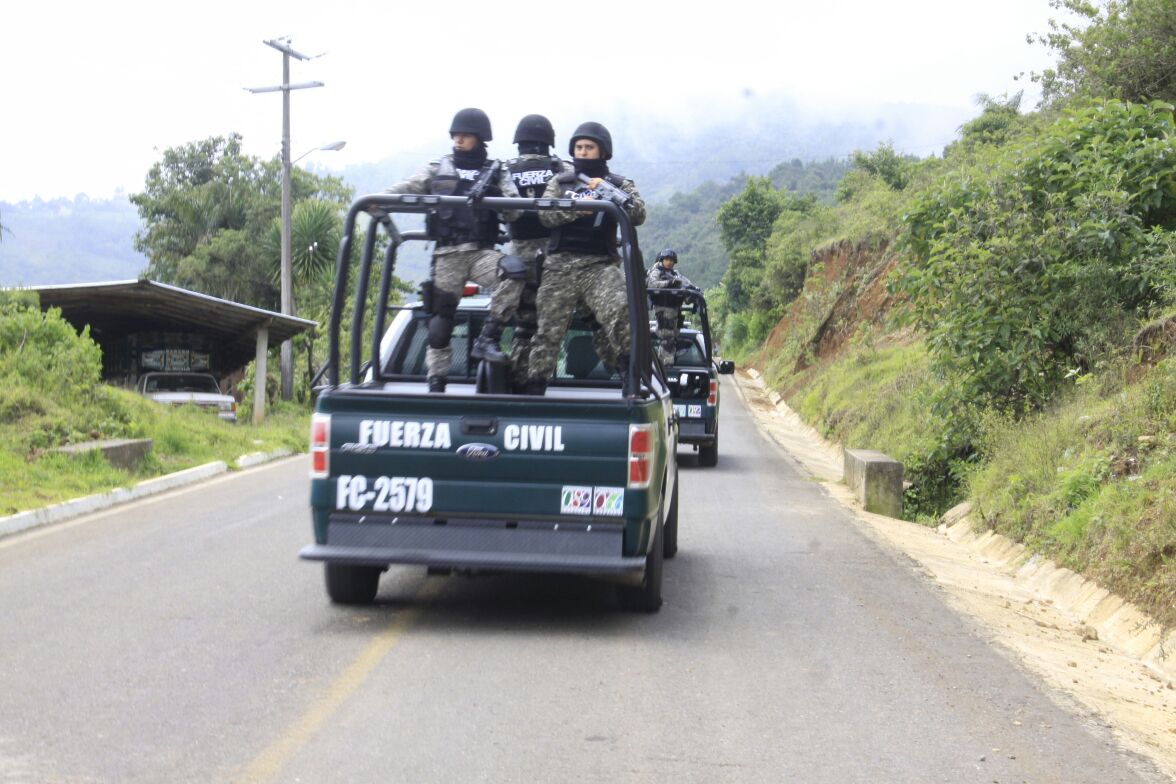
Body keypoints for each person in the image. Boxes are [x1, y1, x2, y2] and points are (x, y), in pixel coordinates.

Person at [383, 108, 525, 393]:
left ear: (480, 138)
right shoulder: (438, 168)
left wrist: (496, 197)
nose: (458, 140)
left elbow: (516, 210)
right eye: (456, 135)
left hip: (481, 253)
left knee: (515, 272)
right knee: (440, 322)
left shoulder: (497, 172)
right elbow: (408, 186)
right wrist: (379, 200)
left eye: (465, 136)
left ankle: (488, 337)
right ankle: (437, 382)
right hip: (448, 254)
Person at [524, 121, 646, 396]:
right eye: (578, 147)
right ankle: (535, 387)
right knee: (547, 331)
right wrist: (577, 210)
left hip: (598, 266)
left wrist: (608, 193)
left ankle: (630, 377)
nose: (583, 152)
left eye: (589, 147)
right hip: (560, 266)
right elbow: (545, 215)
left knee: (620, 313)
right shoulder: (560, 181)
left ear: (603, 151)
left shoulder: (618, 183)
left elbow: (638, 214)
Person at [504, 114, 563, 392]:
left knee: (524, 324)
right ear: (547, 142)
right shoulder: (559, 168)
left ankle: (515, 380)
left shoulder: (505, 169)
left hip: (517, 255)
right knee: (548, 324)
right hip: (554, 255)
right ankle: (538, 381)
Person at [646, 248, 697, 366]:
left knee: (672, 337)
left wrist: (692, 290)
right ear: (662, 260)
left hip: (675, 310)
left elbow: (685, 284)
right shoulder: (656, 272)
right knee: (667, 338)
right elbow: (652, 285)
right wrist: (669, 283)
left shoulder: (675, 274)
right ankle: (666, 365)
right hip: (663, 309)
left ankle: (662, 363)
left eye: (671, 260)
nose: (669, 262)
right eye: (667, 259)